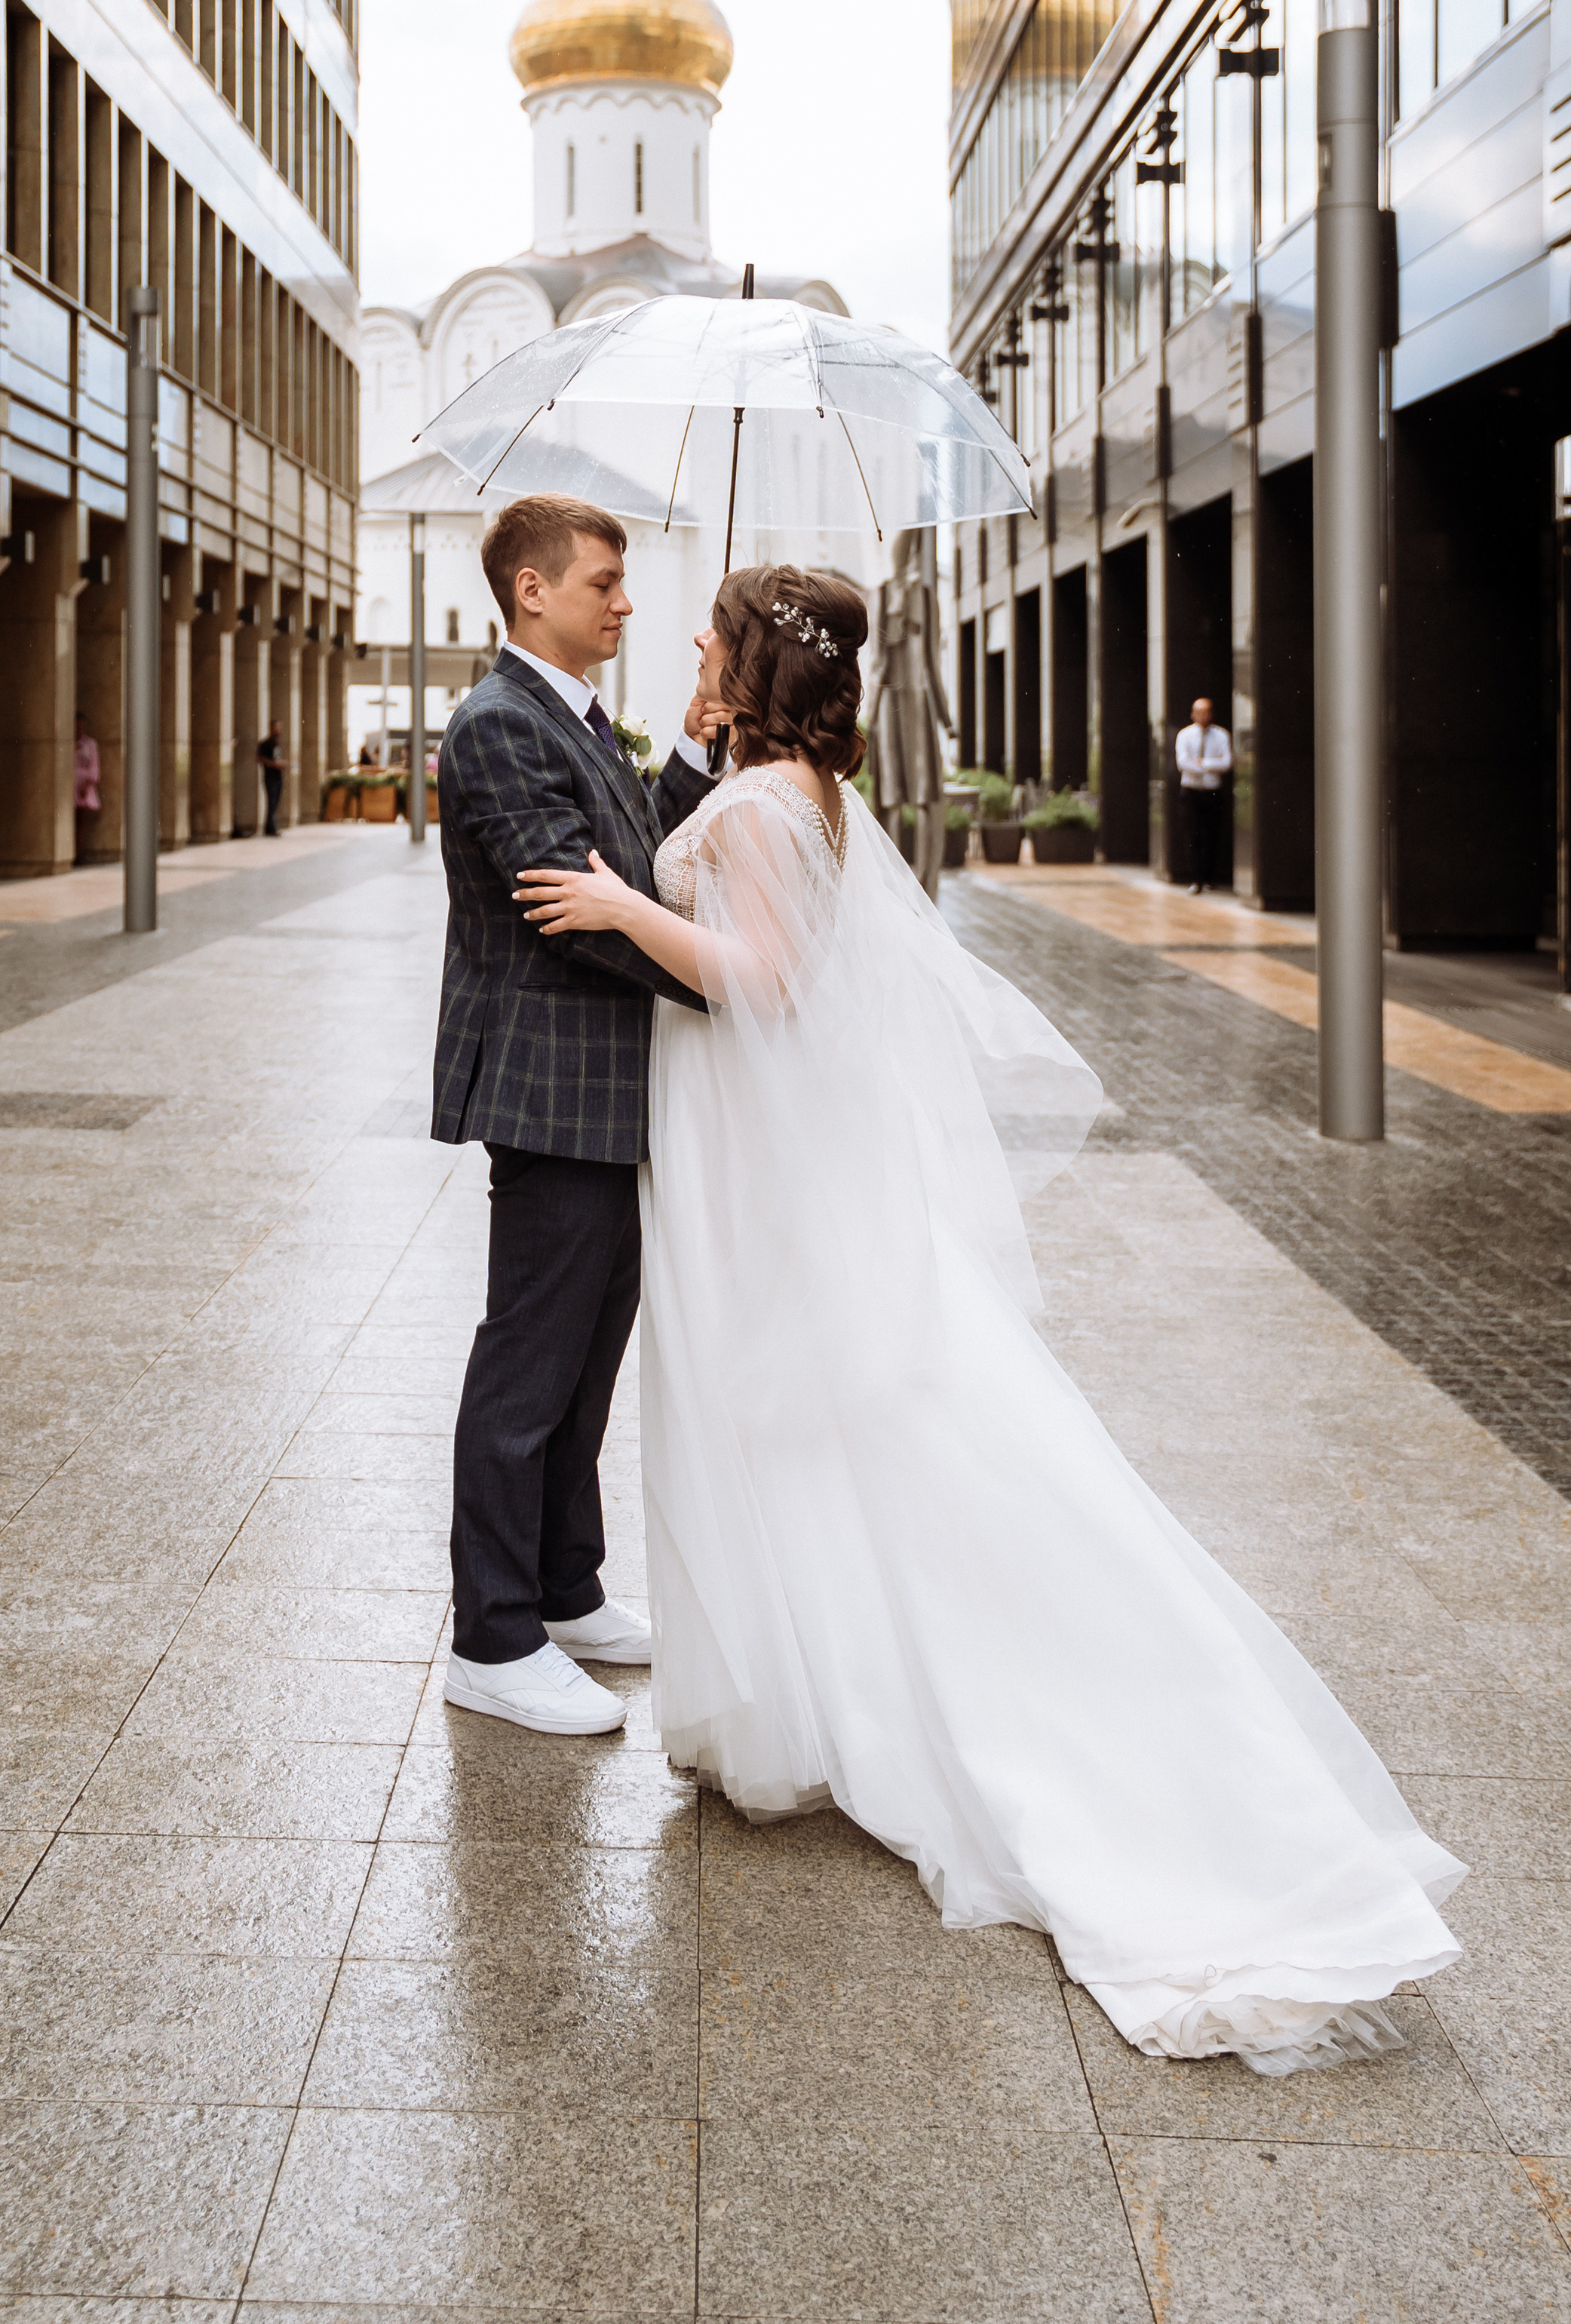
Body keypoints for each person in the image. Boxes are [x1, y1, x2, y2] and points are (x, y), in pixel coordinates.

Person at [514, 563, 1463, 2077]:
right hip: (766, 1156)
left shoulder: (766, 810)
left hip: (757, 1168)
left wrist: (625, 898)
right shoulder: (804, 792)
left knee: (836, 1431)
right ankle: (816, 1688)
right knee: (838, 1437)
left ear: (752, 656)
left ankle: (855, 1706)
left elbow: (761, 981)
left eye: (708, 627)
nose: (687, 639)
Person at [432, 492, 725, 1737]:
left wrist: (698, 757)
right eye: (603, 581)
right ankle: (493, 1639)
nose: (626, 600)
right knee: (530, 1367)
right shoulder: (499, 724)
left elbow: (635, 865)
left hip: (608, 1089)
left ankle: (564, 1588)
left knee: (588, 1358)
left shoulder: (577, 716)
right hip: (552, 1087)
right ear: (532, 590)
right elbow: (576, 905)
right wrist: (734, 986)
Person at [1174, 695, 1233, 895]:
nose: (1203, 715)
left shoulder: (1222, 735)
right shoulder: (1184, 735)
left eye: (1207, 711)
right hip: (1190, 792)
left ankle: (1208, 878)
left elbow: (1226, 763)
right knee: (1193, 836)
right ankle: (1195, 878)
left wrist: (1201, 763)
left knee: (1212, 835)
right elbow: (1183, 763)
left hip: (1212, 792)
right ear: (1193, 714)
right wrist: (1211, 764)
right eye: (1199, 712)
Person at [73, 711, 102, 861]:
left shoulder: (90, 744)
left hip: (84, 786)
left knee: (81, 821)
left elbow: (94, 767)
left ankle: (79, 853)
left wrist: (87, 783)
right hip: (70, 784)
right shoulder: (68, 743)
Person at [258, 717, 285, 836]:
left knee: (275, 802)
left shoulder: (276, 743)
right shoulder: (266, 743)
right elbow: (259, 758)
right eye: (276, 727)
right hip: (271, 777)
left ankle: (272, 826)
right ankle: (271, 828)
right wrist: (275, 764)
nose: (278, 730)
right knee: (272, 802)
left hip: (278, 776)